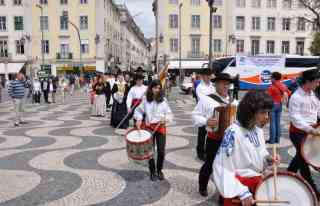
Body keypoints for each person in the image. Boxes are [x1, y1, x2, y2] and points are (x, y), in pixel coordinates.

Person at [213, 91, 279, 206]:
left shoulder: (257, 130)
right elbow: (222, 166)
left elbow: (259, 153)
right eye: (263, 112)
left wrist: (268, 158)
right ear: (250, 112)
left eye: (268, 112)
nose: (267, 117)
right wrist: (241, 191)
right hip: (240, 188)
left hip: (256, 184)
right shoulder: (233, 132)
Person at [192, 73, 237, 197]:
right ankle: (202, 186)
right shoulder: (207, 99)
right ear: (216, 84)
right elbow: (195, 115)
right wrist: (206, 121)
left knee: (228, 167)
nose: (225, 86)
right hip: (214, 138)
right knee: (209, 164)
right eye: (223, 83)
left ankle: (225, 191)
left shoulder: (232, 101)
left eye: (227, 84)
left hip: (229, 140)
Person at [287, 68, 320, 198]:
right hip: (298, 133)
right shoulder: (296, 97)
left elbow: (318, 111)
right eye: (316, 82)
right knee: (304, 161)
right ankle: (314, 192)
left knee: (300, 156)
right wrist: (311, 130)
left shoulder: (314, 95)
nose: (318, 85)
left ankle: (289, 173)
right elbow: (296, 119)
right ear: (308, 82)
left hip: (312, 132)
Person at [134, 80, 173, 181]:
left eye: (159, 88)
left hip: (160, 127)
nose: (157, 90)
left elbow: (169, 113)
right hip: (149, 128)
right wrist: (139, 119)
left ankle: (159, 170)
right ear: (151, 88)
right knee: (150, 151)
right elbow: (138, 110)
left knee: (161, 151)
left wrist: (166, 118)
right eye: (155, 87)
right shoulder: (145, 100)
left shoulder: (163, 100)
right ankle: (152, 171)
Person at [195, 68, 216, 161]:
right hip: (203, 114)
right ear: (203, 76)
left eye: (209, 75)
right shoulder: (200, 87)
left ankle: (208, 151)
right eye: (207, 76)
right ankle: (200, 152)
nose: (209, 77)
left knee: (211, 133)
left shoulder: (212, 86)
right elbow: (204, 99)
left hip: (212, 112)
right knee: (202, 134)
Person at [267, 72, 291, 144]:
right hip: (279, 105)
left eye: (271, 78)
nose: (270, 79)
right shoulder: (283, 85)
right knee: (278, 123)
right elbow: (289, 93)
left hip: (272, 105)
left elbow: (267, 97)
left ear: (274, 78)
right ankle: (277, 139)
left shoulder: (271, 87)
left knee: (272, 123)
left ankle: (272, 140)